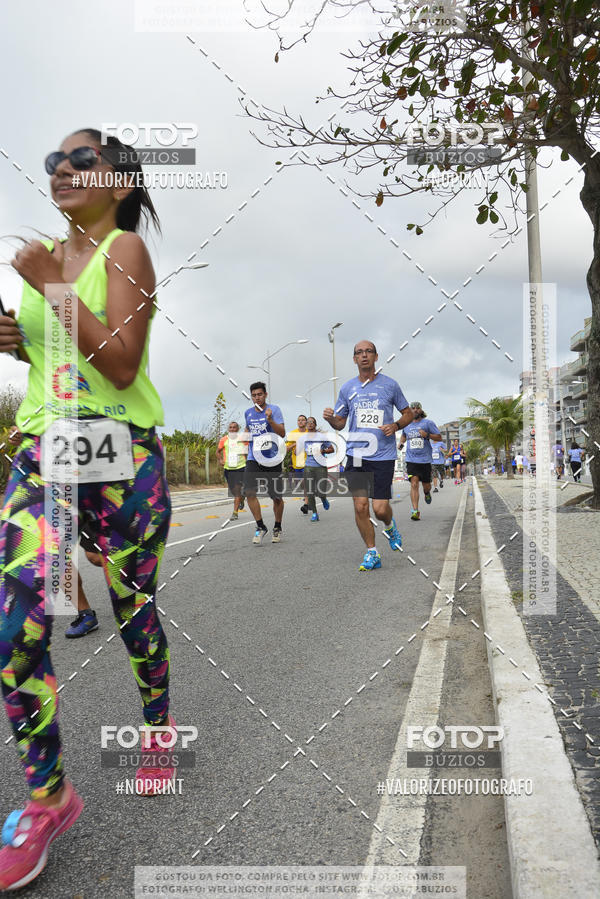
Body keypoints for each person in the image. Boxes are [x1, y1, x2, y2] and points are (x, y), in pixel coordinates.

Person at [0, 127, 174, 890]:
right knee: (13, 623)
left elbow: (122, 360)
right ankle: (47, 797)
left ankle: (159, 730)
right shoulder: (48, 256)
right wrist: (21, 344)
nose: (63, 169)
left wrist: (48, 292)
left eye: (83, 160)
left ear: (122, 184)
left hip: (118, 453)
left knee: (132, 604)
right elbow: (62, 356)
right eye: (55, 161)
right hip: (44, 449)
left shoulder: (125, 250)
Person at [323, 339, 412, 571]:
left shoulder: (390, 386)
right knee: (361, 507)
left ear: (376, 357)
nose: (364, 355)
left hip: (382, 455)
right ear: (354, 359)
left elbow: (408, 413)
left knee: (380, 509)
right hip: (356, 454)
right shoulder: (347, 389)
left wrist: (395, 425)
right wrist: (331, 419)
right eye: (359, 352)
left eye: (368, 352)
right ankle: (372, 552)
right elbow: (340, 423)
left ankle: (390, 527)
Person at [7, 426, 102, 638]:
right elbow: (22, 437)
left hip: (83, 491)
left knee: (95, 557)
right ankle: (86, 614)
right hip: (50, 497)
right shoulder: (36, 410)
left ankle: (136, 583)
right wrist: (19, 437)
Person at [243, 382, 286, 544]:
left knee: (276, 497)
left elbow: (282, 433)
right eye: (254, 395)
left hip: (272, 458)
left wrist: (270, 420)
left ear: (265, 395)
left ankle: (277, 526)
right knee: (249, 492)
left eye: (260, 394)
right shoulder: (248, 413)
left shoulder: (274, 410)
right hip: (253, 458)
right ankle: (260, 526)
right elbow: (248, 430)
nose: (257, 398)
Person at [398, 402, 442, 521]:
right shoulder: (406, 424)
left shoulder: (428, 423)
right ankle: (415, 511)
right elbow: (404, 435)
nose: (415, 410)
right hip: (411, 460)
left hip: (425, 460)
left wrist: (427, 435)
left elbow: (439, 437)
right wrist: (401, 443)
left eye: (418, 408)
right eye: (413, 408)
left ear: (421, 411)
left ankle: (427, 493)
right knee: (414, 484)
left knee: (426, 486)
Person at [302, 416, 334, 521]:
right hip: (308, 467)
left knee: (321, 491)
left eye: (312, 422)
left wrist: (323, 451)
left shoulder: (321, 436)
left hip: (320, 466)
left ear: (315, 425)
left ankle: (323, 498)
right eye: (308, 422)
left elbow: (331, 449)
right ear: (306, 425)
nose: (310, 424)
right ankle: (315, 513)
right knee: (310, 492)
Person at [217, 420, 246, 520]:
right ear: (228, 429)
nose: (232, 429)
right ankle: (241, 499)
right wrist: (220, 459)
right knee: (233, 491)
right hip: (228, 468)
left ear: (238, 429)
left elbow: (249, 451)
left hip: (241, 467)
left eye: (234, 427)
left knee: (237, 490)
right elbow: (218, 452)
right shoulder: (224, 439)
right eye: (230, 427)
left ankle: (235, 513)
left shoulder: (243, 439)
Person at [286, 414, 308, 513]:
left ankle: (306, 504)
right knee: (303, 484)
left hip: (308, 462)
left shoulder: (310, 433)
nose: (300, 422)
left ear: (306, 422)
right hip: (297, 464)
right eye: (299, 420)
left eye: (303, 420)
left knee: (306, 482)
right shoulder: (293, 434)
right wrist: (295, 444)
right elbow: (286, 449)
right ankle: (309, 498)